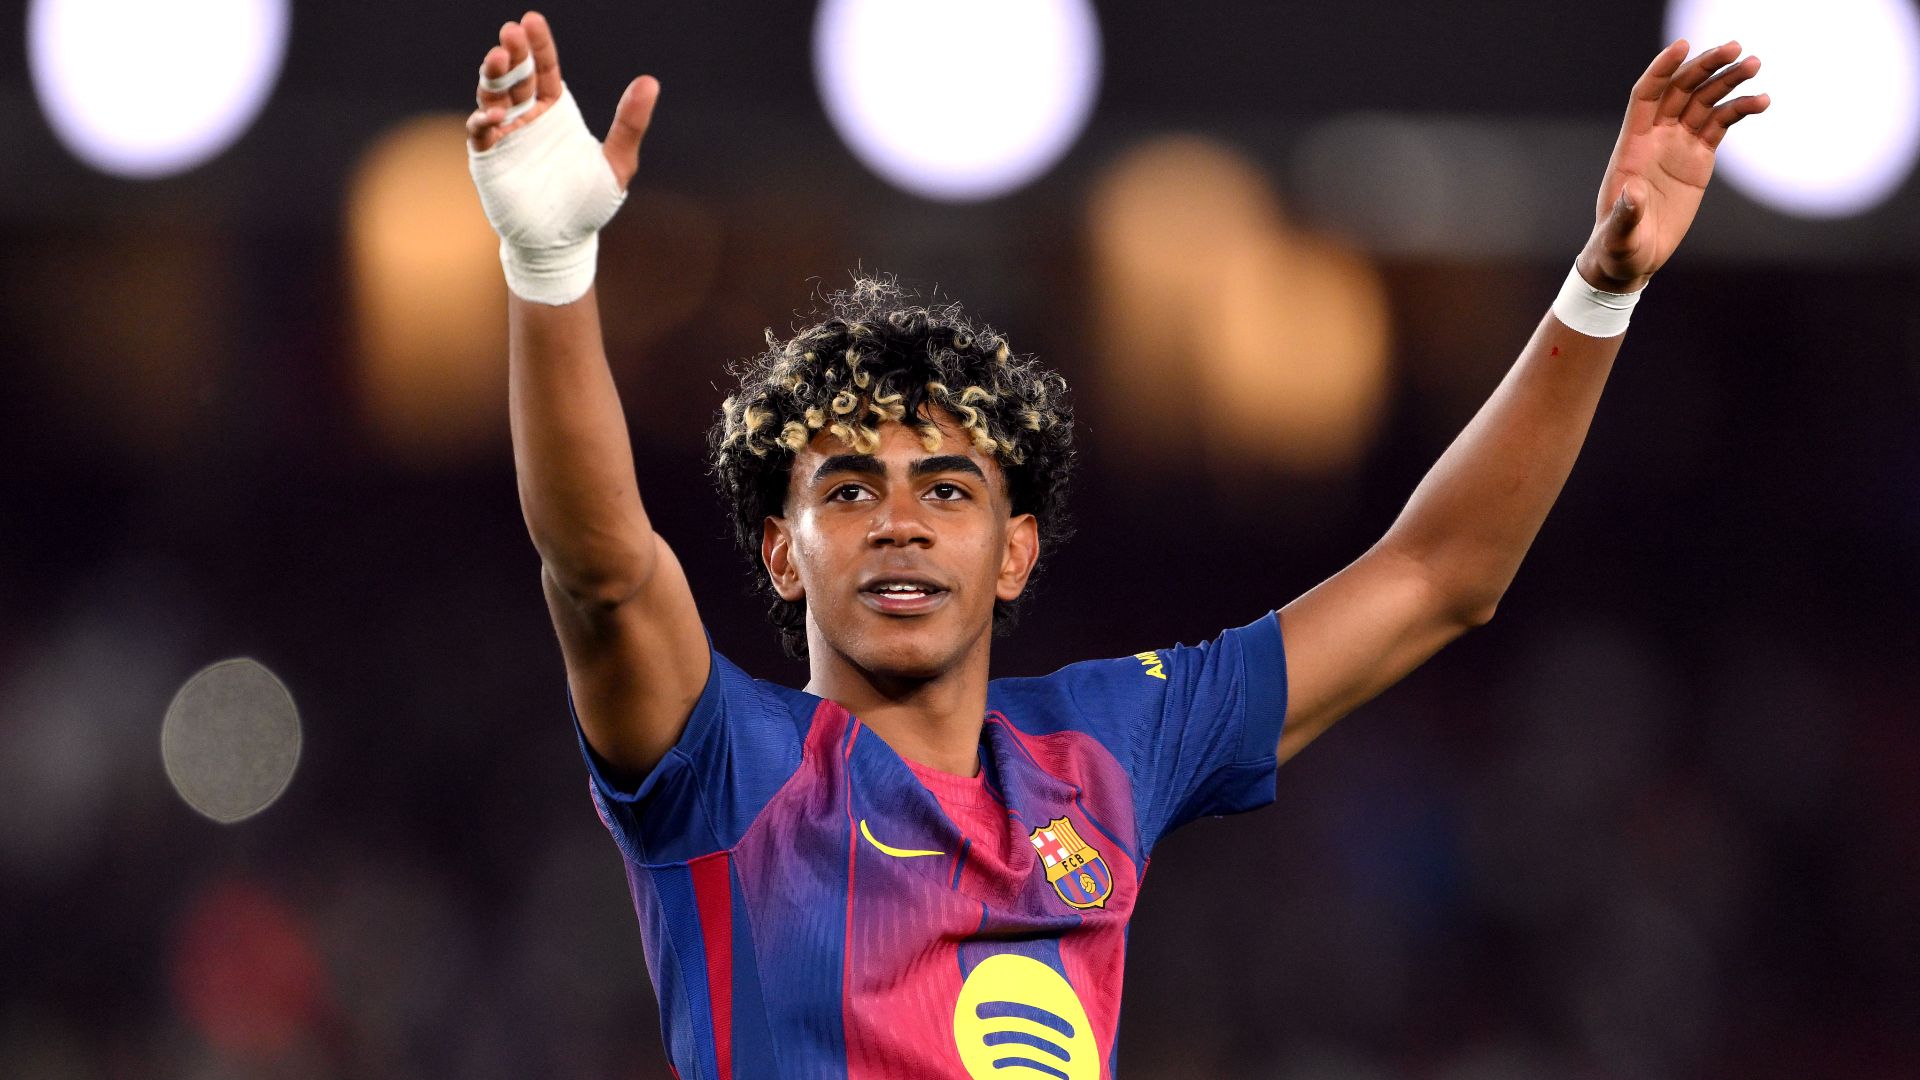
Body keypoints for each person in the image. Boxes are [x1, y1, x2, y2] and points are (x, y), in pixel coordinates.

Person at [464, 11, 1767, 1078]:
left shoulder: (1104, 746)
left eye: (948, 490)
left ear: (1016, 553)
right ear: (781, 552)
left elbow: (1438, 578)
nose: (900, 520)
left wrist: (1600, 292)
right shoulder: (726, 770)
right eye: (849, 491)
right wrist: (549, 269)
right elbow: (602, 567)